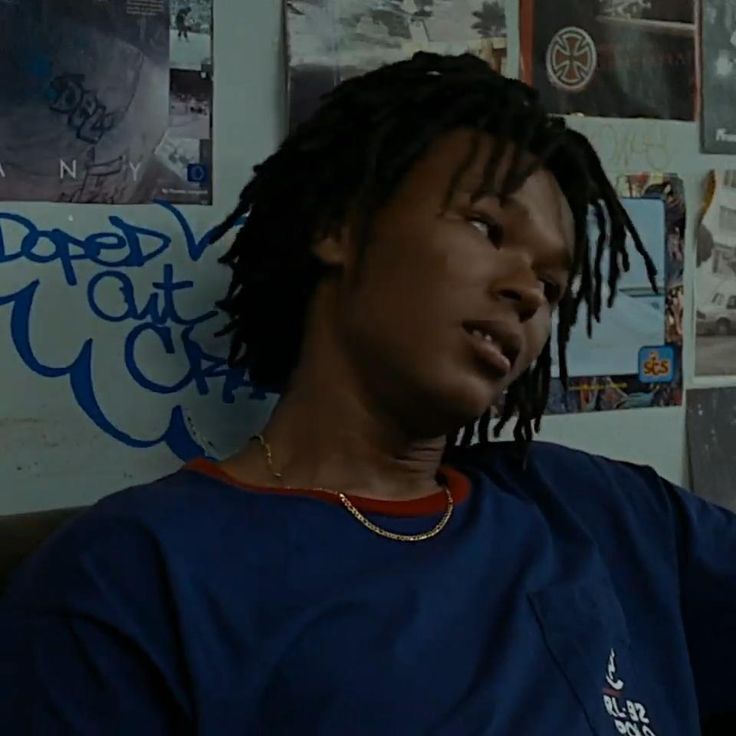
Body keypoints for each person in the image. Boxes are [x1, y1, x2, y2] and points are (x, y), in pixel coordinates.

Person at [0, 52, 734, 735]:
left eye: (551, 285)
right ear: (339, 228)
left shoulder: (594, 508)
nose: (525, 293)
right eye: (486, 226)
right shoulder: (132, 578)